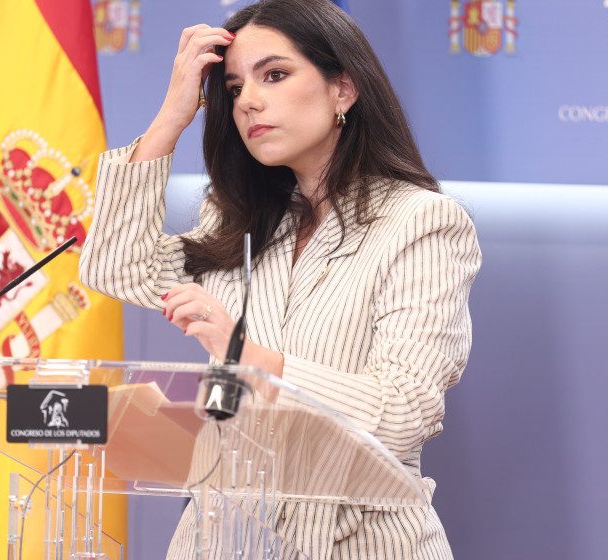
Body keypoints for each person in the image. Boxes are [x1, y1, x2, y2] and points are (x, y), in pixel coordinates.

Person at [79, 0, 481, 557]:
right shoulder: (240, 217)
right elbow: (114, 268)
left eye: (274, 75)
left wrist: (252, 359)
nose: (249, 100)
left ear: (344, 89)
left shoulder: (421, 222)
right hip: (222, 539)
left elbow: (403, 413)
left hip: (357, 542)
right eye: (234, 86)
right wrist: (172, 116)